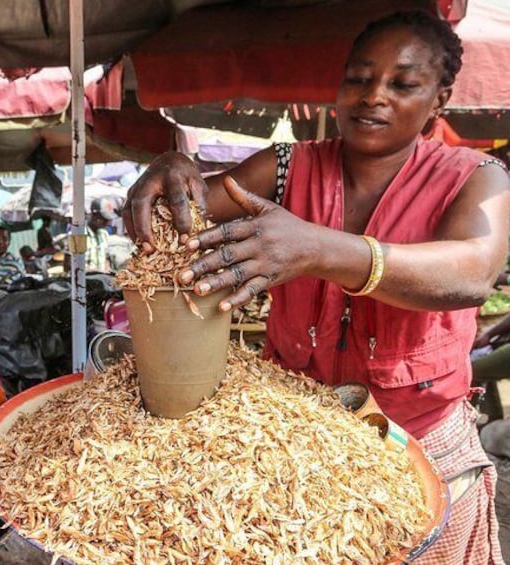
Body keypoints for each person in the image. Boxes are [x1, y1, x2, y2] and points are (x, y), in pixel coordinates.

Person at [122, 11, 508, 563]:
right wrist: (172, 172)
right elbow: (177, 209)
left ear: (439, 99)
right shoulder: (286, 167)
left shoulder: (474, 177)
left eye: (402, 84)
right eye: (358, 78)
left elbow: (471, 275)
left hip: (421, 442)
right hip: (294, 440)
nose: (373, 96)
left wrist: (319, 249)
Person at [86, 198, 115, 272]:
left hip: (101, 279)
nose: (107, 223)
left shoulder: (104, 234)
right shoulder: (78, 235)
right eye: (104, 219)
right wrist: (95, 271)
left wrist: (107, 268)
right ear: (94, 215)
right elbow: (69, 265)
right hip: (83, 280)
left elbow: (106, 257)